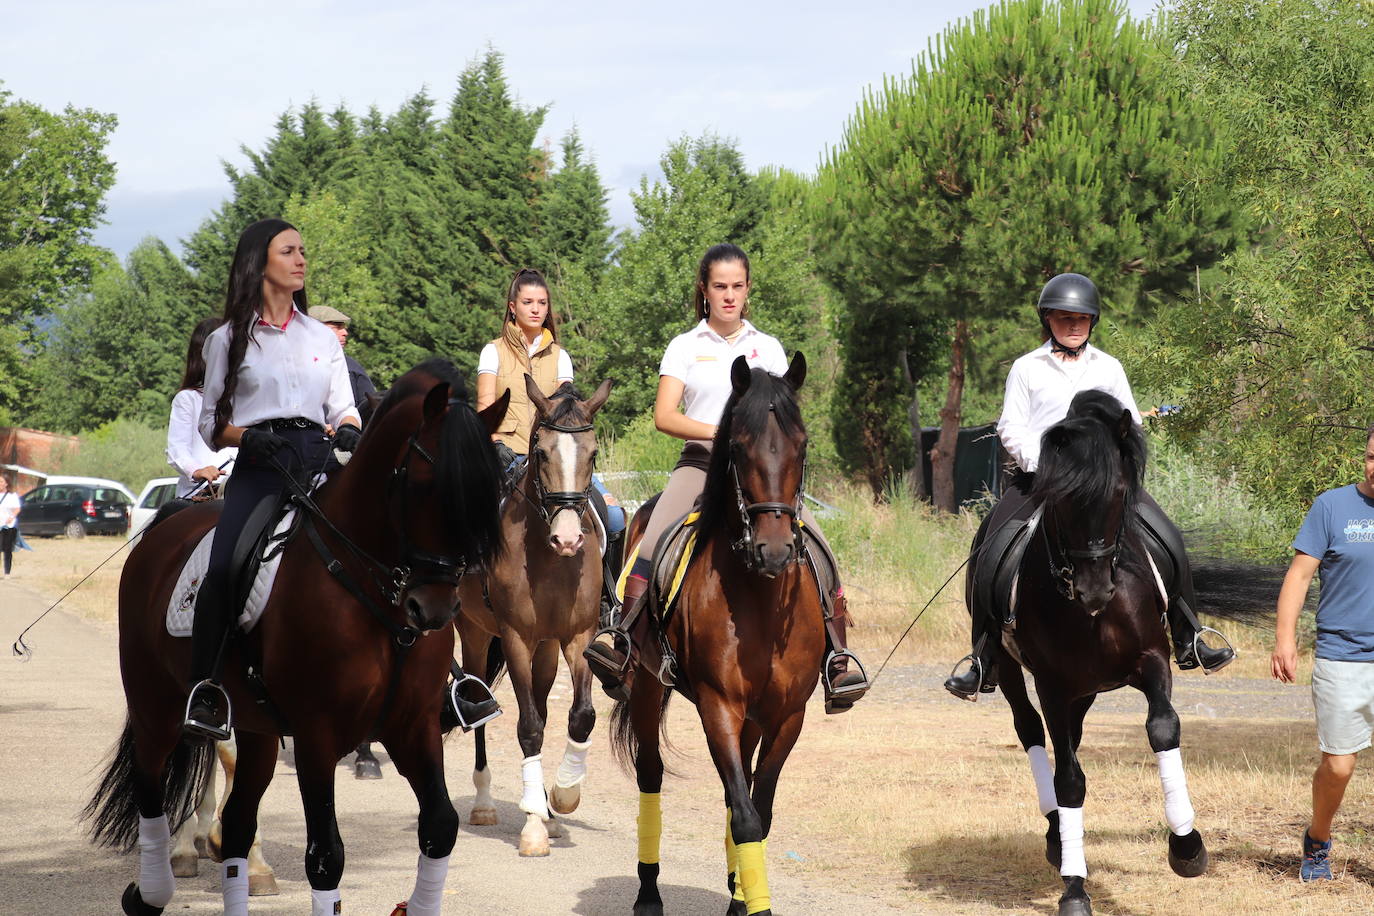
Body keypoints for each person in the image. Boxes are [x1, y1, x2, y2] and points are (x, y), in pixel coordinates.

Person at [583, 244, 869, 712]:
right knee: (654, 537)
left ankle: (839, 657)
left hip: (760, 473)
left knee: (817, 542)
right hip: (701, 464)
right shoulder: (685, 346)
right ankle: (621, 635)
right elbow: (664, 415)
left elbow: (782, 412)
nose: (729, 295)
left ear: (748, 289)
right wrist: (723, 433)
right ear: (705, 290)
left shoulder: (769, 347)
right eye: (720, 287)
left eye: (737, 286)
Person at [944, 273, 1234, 700]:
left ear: (1092, 321)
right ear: (1049, 320)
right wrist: (1045, 466)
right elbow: (1011, 426)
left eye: (1081, 318)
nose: (1073, 325)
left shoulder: (1108, 367)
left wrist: (1115, 461)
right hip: (1042, 483)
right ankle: (983, 655)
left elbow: (1129, 421)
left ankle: (1189, 633)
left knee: (1167, 536)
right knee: (992, 544)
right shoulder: (1027, 368)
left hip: (1103, 483)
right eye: (1064, 318)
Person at [183, 218, 361, 741]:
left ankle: (439, 680)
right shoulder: (226, 339)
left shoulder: (321, 338)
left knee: (382, 539)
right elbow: (209, 423)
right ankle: (206, 690)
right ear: (261, 262)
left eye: (303, 250)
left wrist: (349, 432)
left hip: (317, 457)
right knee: (226, 565)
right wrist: (246, 437)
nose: (302, 259)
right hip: (261, 464)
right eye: (290, 251)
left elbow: (344, 407)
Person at [476, 267, 625, 598]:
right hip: (507, 451)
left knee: (613, 516)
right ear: (512, 306)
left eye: (542, 302)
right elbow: (485, 405)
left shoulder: (560, 357)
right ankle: (471, 587)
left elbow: (567, 408)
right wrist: (495, 443)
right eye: (528, 301)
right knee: (470, 511)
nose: (535, 309)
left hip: (555, 459)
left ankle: (607, 600)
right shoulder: (493, 351)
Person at [1272, 425, 1374, 882]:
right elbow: (1298, 576)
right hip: (1343, 656)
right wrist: (1285, 638)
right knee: (1338, 764)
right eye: (1372, 456)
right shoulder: (1332, 506)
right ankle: (1318, 839)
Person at [167, 317, 238, 499]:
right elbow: (177, 450)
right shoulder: (187, 399)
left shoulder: (244, 398)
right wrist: (198, 470)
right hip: (201, 492)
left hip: (238, 488)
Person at [308, 305, 378, 424]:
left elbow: (371, 410)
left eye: (344, 327)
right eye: (337, 327)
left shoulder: (351, 368)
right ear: (314, 329)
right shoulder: (290, 363)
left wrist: (346, 429)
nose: (345, 332)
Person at [0, 475, 20, 578]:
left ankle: (7, 572)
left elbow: (17, 509)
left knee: (7, 549)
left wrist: (11, 517)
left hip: (8, 526)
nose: (0, 484)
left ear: (6, 483)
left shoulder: (12, 496)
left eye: (1, 481)